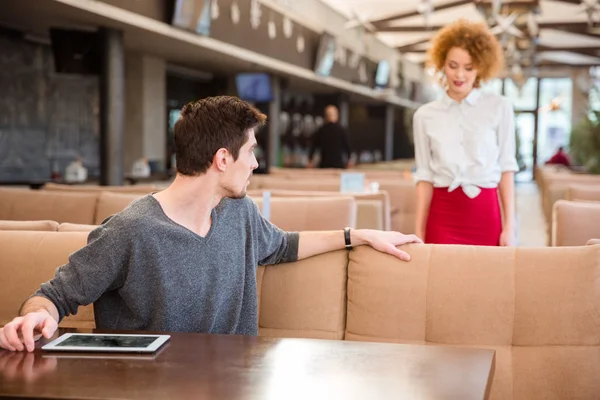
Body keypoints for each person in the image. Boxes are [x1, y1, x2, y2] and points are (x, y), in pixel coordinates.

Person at [0, 96, 421, 353]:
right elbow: (52, 296)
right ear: (222, 159)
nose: (255, 163)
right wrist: (39, 318)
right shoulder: (132, 230)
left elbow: (281, 246)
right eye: (251, 151)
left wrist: (358, 235)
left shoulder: (238, 213)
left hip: (236, 383)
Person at [412, 19, 519, 247]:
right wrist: (418, 231)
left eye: (469, 67)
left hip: (485, 212)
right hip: (442, 213)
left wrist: (510, 226)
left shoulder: (499, 107)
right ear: (442, 64)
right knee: (442, 280)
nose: (460, 74)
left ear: (481, 67)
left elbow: (507, 168)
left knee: (486, 279)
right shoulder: (424, 115)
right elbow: (424, 176)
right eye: (453, 65)